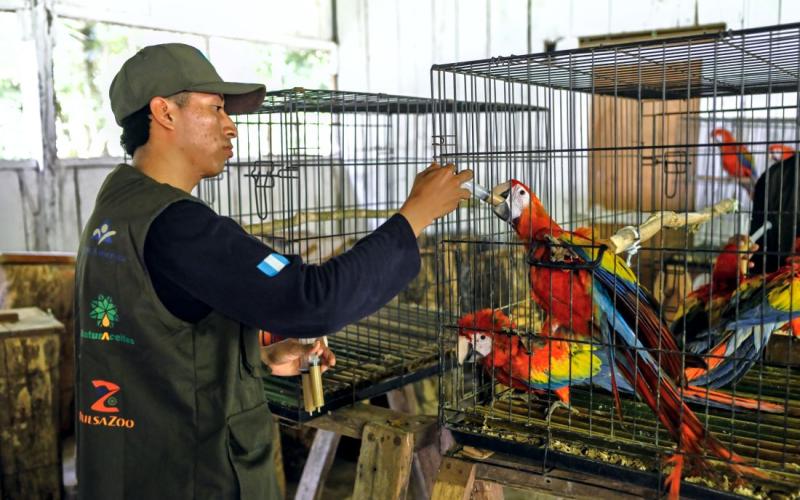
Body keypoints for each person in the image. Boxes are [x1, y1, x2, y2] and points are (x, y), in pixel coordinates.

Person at [74, 43, 472, 499]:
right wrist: (414, 217)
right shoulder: (178, 225)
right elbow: (311, 300)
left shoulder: (118, 206)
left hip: (129, 467)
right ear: (164, 112)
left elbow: (151, 342)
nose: (231, 128)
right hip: (192, 477)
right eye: (217, 108)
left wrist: (252, 359)